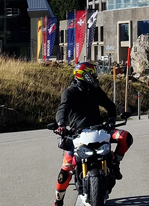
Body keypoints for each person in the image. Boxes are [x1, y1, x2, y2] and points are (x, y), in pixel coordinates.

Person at [52, 62, 133, 206]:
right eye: (92, 73)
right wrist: (61, 125)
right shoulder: (70, 92)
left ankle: (115, 163)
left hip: (101, 130)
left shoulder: (95, 90)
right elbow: (62, 109)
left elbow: (109, 105)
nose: (95, 76)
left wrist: (112, 119)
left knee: (125, 137)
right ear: (84, 75)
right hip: (76, 134)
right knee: (65, 169)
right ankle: (58, 200)